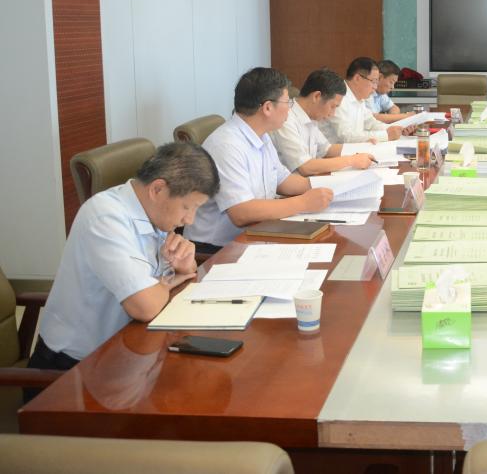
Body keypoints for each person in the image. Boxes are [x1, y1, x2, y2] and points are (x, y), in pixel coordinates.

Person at [30, 142, 219, 374]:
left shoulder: (152, 211)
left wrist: (184, 266)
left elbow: (181, 275)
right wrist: (169, 281)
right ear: (157, 189)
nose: (190, 220)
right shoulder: (104, 217)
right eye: (187, 207)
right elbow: (144, 307)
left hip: (126, 353)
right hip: (72, 371)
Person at [185, 67, 333, 250]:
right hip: (218, 247)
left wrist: (332, 188)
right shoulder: (226, 145)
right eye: (287, 102)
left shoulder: (261, 135)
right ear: (268, 107)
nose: (290, 109)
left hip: (256, 232)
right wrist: (304, 202)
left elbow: (283, 180)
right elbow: (242, 213)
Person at [270, 67, 376, 175]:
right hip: (295, 183)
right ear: (317, 96)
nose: (332, 114)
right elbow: (305, 166)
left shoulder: (311, 116)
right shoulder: (286, 119)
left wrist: (363, 147)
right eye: (333, 106)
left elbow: (327, 149)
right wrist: (351, 160)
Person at [320, 58, 406, 144]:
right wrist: (386, 135)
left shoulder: (359, 97)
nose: (375, 87)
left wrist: (398, 129)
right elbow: (346, 136)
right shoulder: (339, 96)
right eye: (373, 81)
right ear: (357, 78)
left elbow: (371, 123)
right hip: (334, 151)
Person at [370, 59, 407, 124]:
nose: (393, 87)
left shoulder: (380, 94)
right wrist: (405, 116)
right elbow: (372, 118)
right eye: (391, 82)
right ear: (380, 77)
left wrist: (390, 118)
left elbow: (394, 108)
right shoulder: (367, 92)